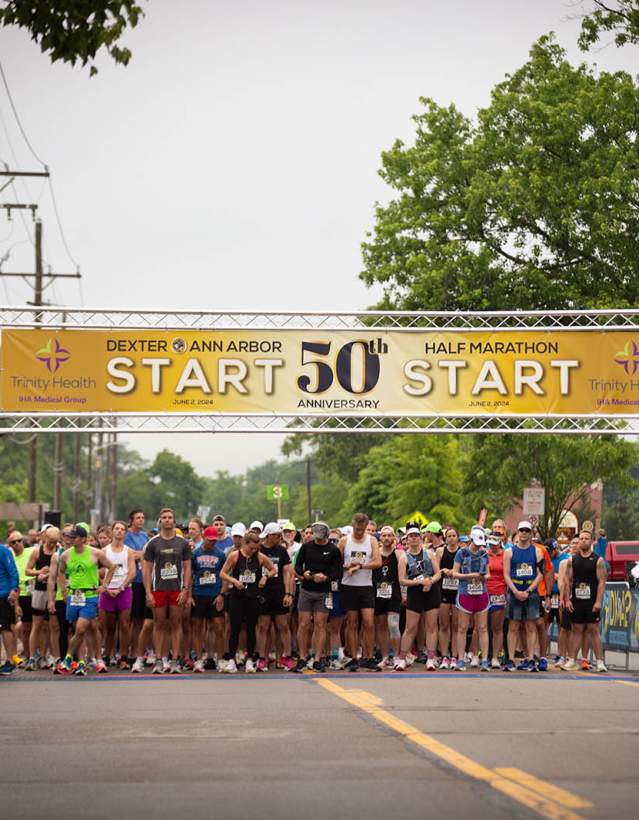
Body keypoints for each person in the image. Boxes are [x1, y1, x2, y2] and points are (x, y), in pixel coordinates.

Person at [56, 525, 116, 676]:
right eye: (69, 536)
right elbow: (61, 572)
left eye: (73, 537)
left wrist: (104, 585)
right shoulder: (65, 555)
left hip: (90, 595)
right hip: (74, 596)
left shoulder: (95, 553)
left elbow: (112, 567)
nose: (70, 539)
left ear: (83, 539)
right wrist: (63, 590)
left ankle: (68, 658)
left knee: (82, 627)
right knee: (82, 629)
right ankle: (83, 662)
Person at [143, 508, 192, 674]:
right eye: (164, 517)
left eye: (170, 517)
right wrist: (148, 592)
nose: (167, 520)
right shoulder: (153, 543)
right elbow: (147, 570)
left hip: (177, 589)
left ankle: (175, 660)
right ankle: (158, 660)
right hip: (158, 589)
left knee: (176, 624)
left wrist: (185, 590)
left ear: (174, 520)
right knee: (159, 624)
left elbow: (187, 567)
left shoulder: (183, 543)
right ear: (160, 521)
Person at [220, 532, 275, 673]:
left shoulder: (260, 557)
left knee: (251, 628)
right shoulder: (235, 555)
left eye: (256, 549)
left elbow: (273, 569)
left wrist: (265, 577)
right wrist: (234, 581)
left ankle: (250, 659)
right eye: (251, 548)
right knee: (235, 628)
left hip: (253, 596)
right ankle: (232, 659)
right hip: (237, 595)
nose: (254, 551)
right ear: (245, 544)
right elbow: (223, 573)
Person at [293, 522, 343, 673]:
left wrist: (326, 577)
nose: (317, 532)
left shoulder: (333, 550)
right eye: (316, 530)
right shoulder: (306, 547)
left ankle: (317, 659)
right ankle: (302, 658)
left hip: (324, 591)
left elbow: (338, 572)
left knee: (320, 625)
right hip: (307, 589)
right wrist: (304, 573)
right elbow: (297, 565)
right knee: (303, 624)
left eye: (321, 530)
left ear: (327, 533)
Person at [338, 512, 382, 671]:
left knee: (369, 622)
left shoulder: (372, 540)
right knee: (352, 622)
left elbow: (378, 561)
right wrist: (347, 566)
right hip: (349, 585)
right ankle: (354, 657)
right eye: (356, 529)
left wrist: (361, 566)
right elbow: (336, 563)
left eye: (361, 529)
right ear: (352, 525)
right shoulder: (345, 540)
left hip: (365, 585)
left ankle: (368, 657)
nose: (358, 532)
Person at [395, 526, 441, 671]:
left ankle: (431, 659)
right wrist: (419, 582)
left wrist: (430, 582)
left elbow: (438, 573)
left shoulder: (429, 553)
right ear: (406, 540)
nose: (414, 538)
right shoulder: (403, 558)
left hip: (431, 591)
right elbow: (401, 580)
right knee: (410, 627)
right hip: (415, 592)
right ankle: (402, 659)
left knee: (431, 626)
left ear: (421, 538)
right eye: (411, 536)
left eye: (416, 535)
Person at [561, 530, 608, 673]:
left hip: (591, 601)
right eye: (581, 538)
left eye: (586, 538)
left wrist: (598, 601)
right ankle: (571, 660)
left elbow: (602, 582)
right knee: (576, 630)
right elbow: (567, 581)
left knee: (593, 630)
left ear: (591, 541)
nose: (583, 541)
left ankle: (600, 662)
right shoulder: (572, 560)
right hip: (576, 601)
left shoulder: (598, 560)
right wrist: (567, 600)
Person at [503, 521, 544, 672]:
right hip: (515, 590)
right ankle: (511, 659)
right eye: (521, 530)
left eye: (527, 530)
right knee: (513, 626)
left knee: (530, 626)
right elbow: (506, 574)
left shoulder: (537, 552)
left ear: (531, 533)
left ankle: (531, 659)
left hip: (531, 592)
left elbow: (541, 574)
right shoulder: (509, 552)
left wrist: (528, 591)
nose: (524, 533)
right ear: (518, 532)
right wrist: (515, 591)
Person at [256, 523, 295, 672]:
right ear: (269, 535)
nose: (279, 538)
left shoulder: (281, 550)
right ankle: (262, 658)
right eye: (277, 535)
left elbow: (288, 573)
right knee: (263, 626)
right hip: (263, 591)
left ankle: (286, 657)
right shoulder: (259, 549)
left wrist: (288, 593)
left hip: (278, 590)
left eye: (280, 536)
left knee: (283, 625)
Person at [99, 521, 137, 670]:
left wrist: (121, 588)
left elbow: (132, 573)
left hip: (124, 590)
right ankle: (107, 655)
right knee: (109, 627)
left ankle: (123, 657)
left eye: (122, 529)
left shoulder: (128, 552)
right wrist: (106, 588)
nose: (119, 531)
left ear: (125, 533)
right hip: (108, 591)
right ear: (112, 531)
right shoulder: (104, 551)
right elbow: (98, 573)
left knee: (125, 625)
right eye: (117, 529)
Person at [452, 525, 491, 672]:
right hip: (465, 593)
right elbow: (455, 573)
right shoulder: (461, 554)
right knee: (462, 627)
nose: (478, 547)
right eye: (476, 544)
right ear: (470, 540)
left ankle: (484, 660)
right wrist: (471, 576)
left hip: (481, 593)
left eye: (480, 544)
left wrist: (483, 577)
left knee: (482, 627)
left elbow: (488, 574)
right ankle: (461, 659)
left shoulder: (484, 555)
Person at [190, 525, 226, 672]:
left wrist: (221, 594)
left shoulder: (221, 554)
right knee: (197, 628)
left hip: (214, 594)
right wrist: (189, 594)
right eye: (210, 540)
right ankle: (198, 660)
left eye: (215, 540)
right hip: (198, 594)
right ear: (204, 537)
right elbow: (189, 574)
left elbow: (225, 576)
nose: (213, 542)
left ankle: (220, 659)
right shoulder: (195, 553)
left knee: (219, 627)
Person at [24, 527, 61, 670]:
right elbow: (27, 570)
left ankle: (46, 656)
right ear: (45, 537)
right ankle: (33, 657)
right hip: (40, 591)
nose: (52, 544)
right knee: (37, 625)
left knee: (51, 626)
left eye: (55, 542)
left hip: (54, 592)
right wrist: (39, 572)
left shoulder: (60, 551)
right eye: (50, 541)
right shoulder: (37, 551)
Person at [125, 509, 153, 671]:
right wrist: (141, 554)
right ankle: (132, 651)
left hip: (145, 581)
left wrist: (141, 554)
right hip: (132, 581)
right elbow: (130, 555)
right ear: (131, 520)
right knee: (133, 621)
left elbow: (146, 556)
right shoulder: (127, 536)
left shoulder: (144, 537)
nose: (141, 520)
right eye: (138, 518)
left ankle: (142, 651)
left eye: (143, 517)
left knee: (145, 620)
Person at [373, 525, 402, 669]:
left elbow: (404, 572)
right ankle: (385, 657)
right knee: (381, 625)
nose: (386, 538)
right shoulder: (376, 554)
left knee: (393, 624)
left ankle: (397, 657)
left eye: (389, 535)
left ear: (394, 538)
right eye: (384, 535)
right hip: (377, 592)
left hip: (394, 593)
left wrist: (404, 593)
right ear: (380, 538)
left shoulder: (398, 554)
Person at [437, 526, 460, 669]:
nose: (451, 538)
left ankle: (455, 656)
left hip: (457, 591)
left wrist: (454, 572)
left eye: (454, 535)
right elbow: (435, 569)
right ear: (445, 538)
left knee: (457, 626)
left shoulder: (462, 552)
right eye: (449, 536)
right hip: (443, 590)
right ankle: (444, 655)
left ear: (458, 537)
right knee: (444, 625)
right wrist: (443, 571)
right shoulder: (440, 551)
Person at [8, 531, 33, 663]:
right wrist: (16, 604)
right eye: (13, 542)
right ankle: (24, 655)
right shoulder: (9, 556)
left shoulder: (32, 551)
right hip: (18, 594)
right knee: (22, 626)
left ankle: (35, 655)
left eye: (19, 540)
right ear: (10, 545)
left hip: (33, 592)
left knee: (37, 626)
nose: (17, 543)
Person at [486, 531, 507, 669]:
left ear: (500, 542)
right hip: (483, 592)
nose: (493, 546)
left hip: (499, 592)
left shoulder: (506, 555)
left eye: (495, 544)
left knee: (497, 628)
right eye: (491, 544)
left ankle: (495, 657)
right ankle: (481, 656)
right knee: (481, 627)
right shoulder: (484, 554)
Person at [0, 539, 20, 675]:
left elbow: (13, 571)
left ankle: (10, 661)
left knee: (5, 628)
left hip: (3, 594)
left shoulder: (3, 551)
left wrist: (14, 589)